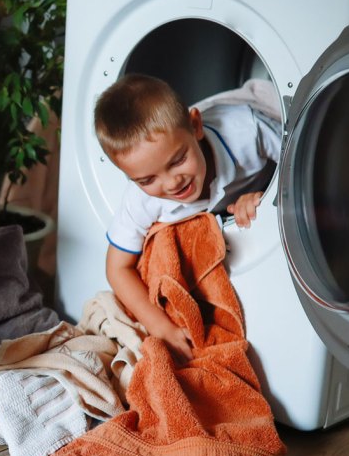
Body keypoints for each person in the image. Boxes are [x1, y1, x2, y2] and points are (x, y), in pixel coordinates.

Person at [94, 74, 279, 363]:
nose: (172, 183)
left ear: (196, 126)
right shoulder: (142, 200)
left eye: (178, 160)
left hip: (264, 111)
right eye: (147, 179)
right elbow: (117, 268)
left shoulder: (246, 130)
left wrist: (266, 194)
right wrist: (159, 325)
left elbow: (304, 166)